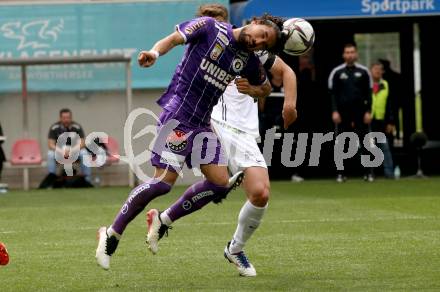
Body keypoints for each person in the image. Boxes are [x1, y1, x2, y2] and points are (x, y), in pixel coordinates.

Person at [96, 12, 286, 270]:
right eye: (261, 35)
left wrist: (252, 89)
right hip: (176, 116)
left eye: (264, 44)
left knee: (220, 183)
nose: (258, 42)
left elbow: (265, 87)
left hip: (202, 125)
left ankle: (164, 220)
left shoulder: (248, 61)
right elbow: (174, 39)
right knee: (162, 183)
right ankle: (111, 233)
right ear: (255, 22)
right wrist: (154, 52)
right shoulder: (210, 28)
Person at [143, 4, 298, 277]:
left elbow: (284, 74)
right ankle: (215, 184)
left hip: (244, 131)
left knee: (260, 193)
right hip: (210, 120)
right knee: (197, 178)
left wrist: (288, 104)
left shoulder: (255, 50)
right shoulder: (205, 42)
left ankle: (231, 247)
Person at [328, 43, 373, 182]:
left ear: (356, 54)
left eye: (352, 52)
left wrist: (368, 111)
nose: (350, 54)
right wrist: (335, 111)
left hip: (360, 113)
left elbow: (369, 94)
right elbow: (333, 94)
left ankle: (368, 173)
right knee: (341, 143)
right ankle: (340, 173)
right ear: (343, 55)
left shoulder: (364, 71)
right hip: (342, 114)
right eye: (347, 52)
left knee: (366, 142)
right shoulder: (337, 72)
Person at [45, 108, 91, 184]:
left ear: (71, 118)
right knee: (50, 154)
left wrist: (71, 150)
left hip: (74, 150)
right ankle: (51, 181)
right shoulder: (54, 128)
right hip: (59, 151)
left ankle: (87, 181)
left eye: (68, 118)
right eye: (64, 118)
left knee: (84, 153)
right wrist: (62, 151)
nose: (66, 120)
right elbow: (50, 144)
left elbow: (82, 143)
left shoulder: (76, 127)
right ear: (60, 118)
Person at [370, 61, 394, 178]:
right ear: (371, 71)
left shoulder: (386, 85)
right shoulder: (366, 85)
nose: (378, 71)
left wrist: (390, 121)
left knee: (385, 147)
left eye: (380, 69)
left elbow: (390, 105)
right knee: (368, 147)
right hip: (369, 120)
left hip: (381, 121)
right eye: (375, 69)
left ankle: (389, 173)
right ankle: (370, 172)